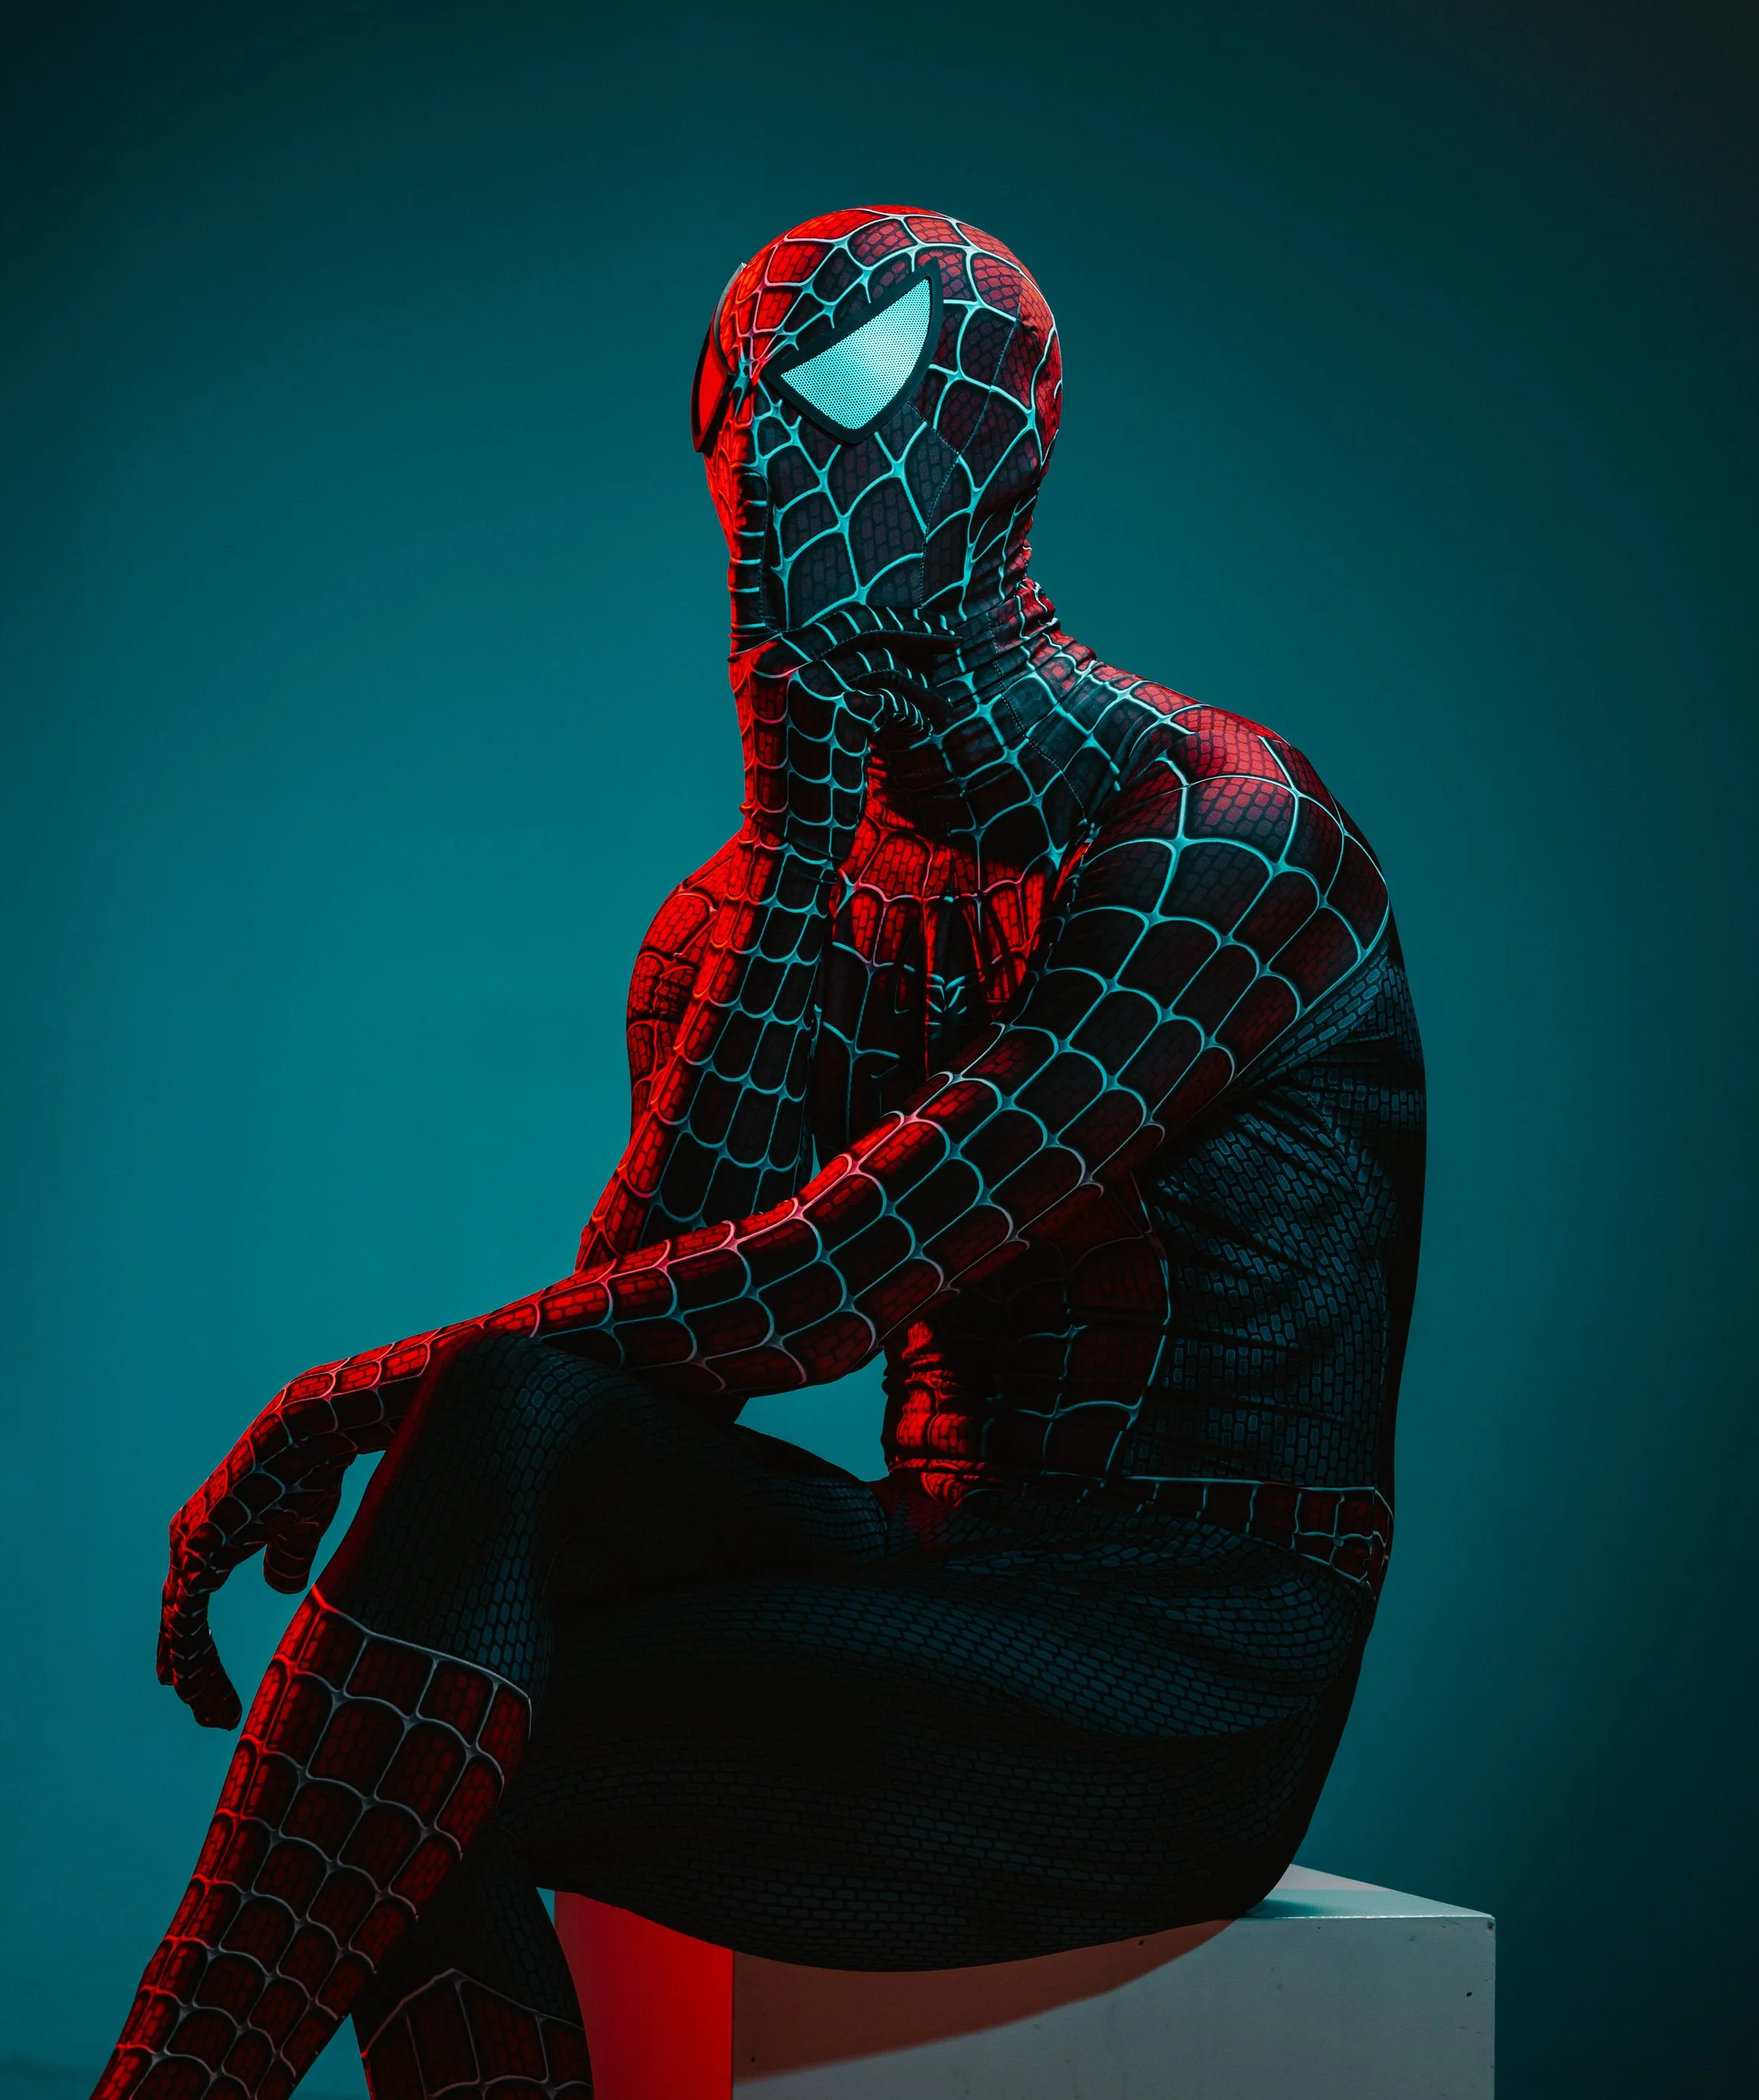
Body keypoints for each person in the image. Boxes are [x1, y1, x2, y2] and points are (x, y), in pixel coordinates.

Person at [94, 205, 1425, 2100]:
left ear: (1004, 430)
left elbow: (828, 1283)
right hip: (937, 1576)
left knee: (399, 1758)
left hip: (1179, 1659)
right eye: (730, 412)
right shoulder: (738, 909)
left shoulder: (1217, 835)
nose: (772, 460)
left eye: (846, 390)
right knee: (491, 1495)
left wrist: (342, 1401)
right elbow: (620, 1360)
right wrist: (797, 862)